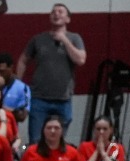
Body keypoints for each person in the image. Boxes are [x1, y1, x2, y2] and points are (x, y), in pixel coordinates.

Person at [17, 3, 85, 142]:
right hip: (39, 98)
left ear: (68, 19)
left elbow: (81, 60)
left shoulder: (74, 38)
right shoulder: (38, 39)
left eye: (60, 11)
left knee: (58, 142)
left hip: (63, 99)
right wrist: (18, 85)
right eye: (53, 12)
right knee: (36, 140)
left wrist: (64, 40)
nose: (56, 14)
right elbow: (23, 60)